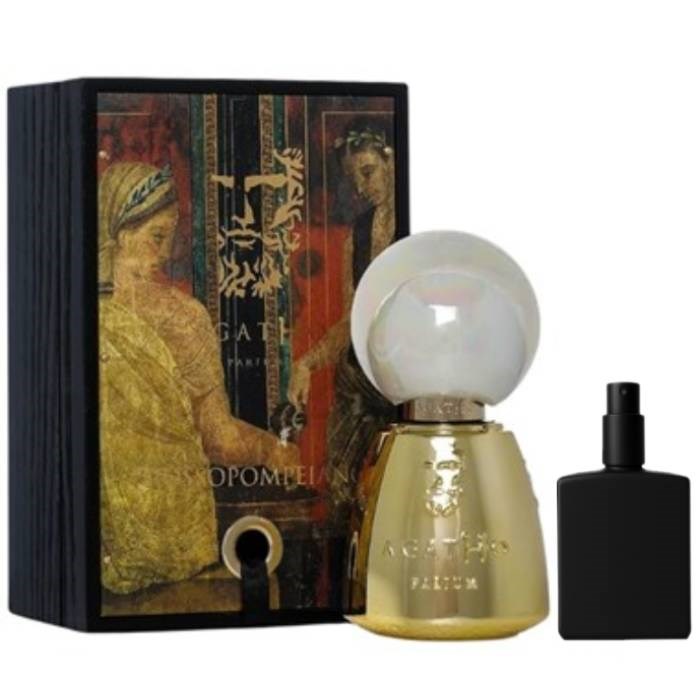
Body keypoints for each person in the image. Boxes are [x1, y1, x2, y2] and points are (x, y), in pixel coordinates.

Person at [99, 161, 299, 594]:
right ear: (121, 234)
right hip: (168, 539)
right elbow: (220, 439)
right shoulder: (182, 317)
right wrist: (272, 449)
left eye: (170, 237)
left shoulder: (68, 313)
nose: (166, 253)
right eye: (157, 236)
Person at [287, 124, 397, 519]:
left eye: (368, 172)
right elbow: (353, 317)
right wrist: (307, 363)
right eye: (354, 180)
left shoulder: (422, 223)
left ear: (391, 159)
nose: (362, 188)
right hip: (363, 376)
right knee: (338, 483)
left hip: (410, 376)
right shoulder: (358, 234)